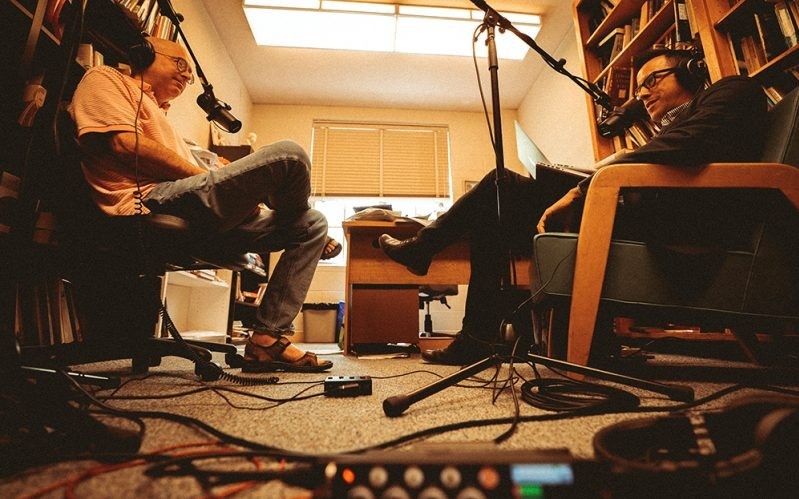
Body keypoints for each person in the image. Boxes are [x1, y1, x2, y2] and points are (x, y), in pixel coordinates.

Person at [378, 47, 769, 365]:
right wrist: (596, 176)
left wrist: (584, 187)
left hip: (681, 227)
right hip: (641, 213)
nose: (644, 94)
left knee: (502, 185)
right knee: (493, 209)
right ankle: (475, 334)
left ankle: (432, 260)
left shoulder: (734, 90)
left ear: (690, 70)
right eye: (639, 89)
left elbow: (692, 143)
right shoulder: (669, 129)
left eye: (652, 80)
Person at [69, 36, 337, 373]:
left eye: (190, 73)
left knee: (312, 224)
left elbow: (195, 180)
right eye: (180, 64)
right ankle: (285, 207)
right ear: (145, 54)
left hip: (196, 211)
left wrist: (234, 191)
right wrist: (210, 178)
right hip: (149, 200)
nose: (187, 76)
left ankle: (266, 340)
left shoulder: (162, 116)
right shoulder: (105, 79)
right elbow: (124, 145)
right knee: (291, 156)